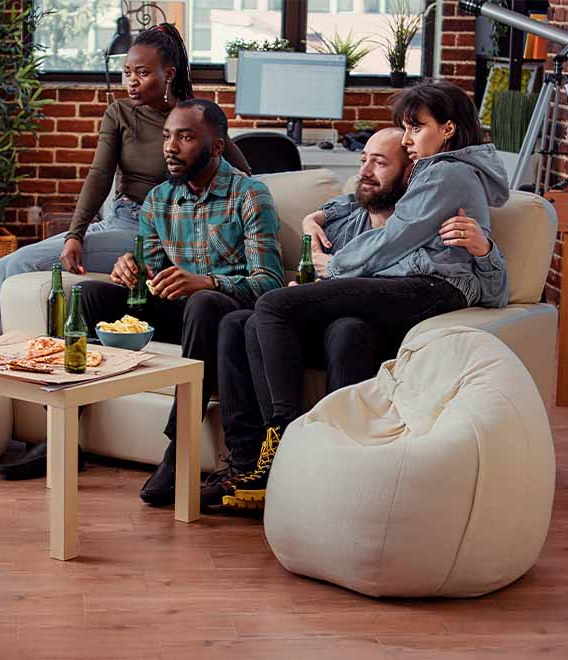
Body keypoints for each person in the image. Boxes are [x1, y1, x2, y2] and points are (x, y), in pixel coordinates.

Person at [203, 80, 511, 512]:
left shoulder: (447, 172)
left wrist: (334, 267)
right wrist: (322, 217)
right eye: (404, 129)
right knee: (252, 318)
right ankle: (253, 464)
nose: (409, 138)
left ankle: (288, 443)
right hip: (416, 287)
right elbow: (362, 207)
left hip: (432, 289)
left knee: (272, 305)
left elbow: (396, 237)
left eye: (415, 128)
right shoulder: (439, 173)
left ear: (448, 128)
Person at [78, 99, 283, 506]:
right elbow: (153, 270)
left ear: (217, 146)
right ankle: (68, 426)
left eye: (186, 137)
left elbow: (269, 282)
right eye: (168, 135)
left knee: (204, 302)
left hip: (224, 310)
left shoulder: (250, 195)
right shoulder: (158, 199)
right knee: (92, 294)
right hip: (181, 311)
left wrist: (205, 282)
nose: (170, 146)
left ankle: (178, 447)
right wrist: (130, 266)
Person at [0, 24, 250, 335]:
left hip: (152, 233)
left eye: (142, 73)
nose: (131, 82)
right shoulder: (120, 113)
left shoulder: (195, 119)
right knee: (2, 267)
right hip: (116, 218)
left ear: (169, 74)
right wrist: (74, 235)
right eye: (127, 73)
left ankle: (11, 360)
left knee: (18, 266)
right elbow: (99, 175)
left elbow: (243, 174)